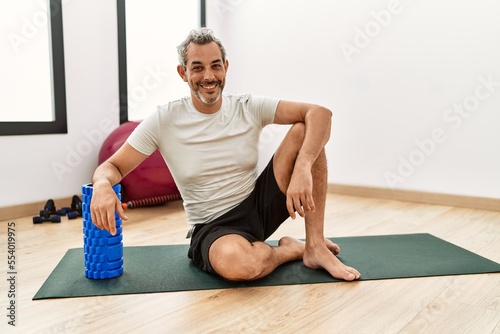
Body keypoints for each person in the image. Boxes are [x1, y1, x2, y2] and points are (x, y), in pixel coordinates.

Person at [90, 28, 360, 282]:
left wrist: (302, 169)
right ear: (183, 73)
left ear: (225, 67)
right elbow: (112, 166)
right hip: (214, 227)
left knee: (306, 128)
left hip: (258, 206)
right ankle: (291, 251)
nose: (209, 76)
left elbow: (321, 113)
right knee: (240, 264)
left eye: (215, 65)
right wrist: (102, 184)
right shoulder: (164, 120)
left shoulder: (246, 106)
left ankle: (314, 246)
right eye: (197, 67)